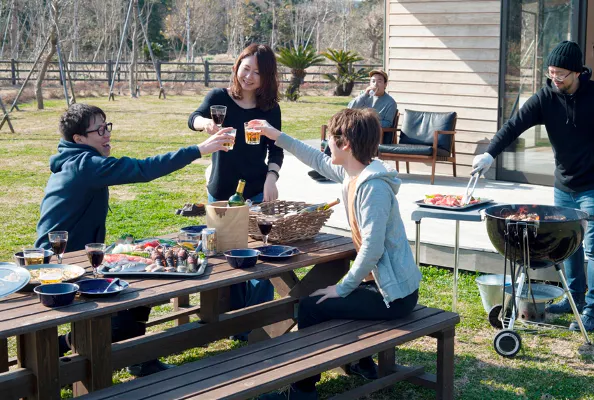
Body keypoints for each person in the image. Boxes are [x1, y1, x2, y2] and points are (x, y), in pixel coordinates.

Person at [35, 103, 233, 377]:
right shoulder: (84, 165)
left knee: (143, 284)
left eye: (107, 126)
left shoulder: (79, 160)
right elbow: (142, 169)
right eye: (99, 130)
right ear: (79, 139)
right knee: (128, 302)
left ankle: (138, 358)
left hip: (82, 257)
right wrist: (199, 149)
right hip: (59, 264)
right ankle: (66, 346)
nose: (107, 134)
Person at [252, 109, 421, 400]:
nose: (325, 144)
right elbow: (315, 158)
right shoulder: (353, 174)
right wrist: (274, 134)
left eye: (329, 138)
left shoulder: (373, 189)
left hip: (394, 296)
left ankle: (302, 391)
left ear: (346, 144)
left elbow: (372, 249)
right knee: (326, 299)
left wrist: (342, 288)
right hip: (382, 287)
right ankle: (362, 362)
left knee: (312, 306)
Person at [471, 41, 594, 332]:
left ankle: (593, 312)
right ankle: (575, 299)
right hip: (563, 186)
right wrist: (489, 154)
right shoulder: (545, 98)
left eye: (561, 73)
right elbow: (513, 126)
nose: (555, 78)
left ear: (577, 72)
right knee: (568, 247)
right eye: (551, 72)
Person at [188, 43, 283, 339]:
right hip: (220, 192)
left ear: (267, 77)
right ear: (237, 67)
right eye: (246, 68)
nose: (249, 76)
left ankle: (256, 323)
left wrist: (271, 177)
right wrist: (206, 124)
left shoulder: (270, 108)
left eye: (257, 72)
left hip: (255, 191)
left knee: (261, 258)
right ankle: (232, 323)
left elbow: (276, 149)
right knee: (226, 258)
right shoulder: (219, 98)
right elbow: (193, 118)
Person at [308, 68, 397, 182]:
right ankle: (324, 168)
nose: (376, 84)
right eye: (373, 81)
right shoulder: (364, 96)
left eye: (379, 81)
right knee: (338, 134)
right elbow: (349, 108)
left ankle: (325, 171)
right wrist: (364, 96)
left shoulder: (390, 102)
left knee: (347, 137)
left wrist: (368, 123)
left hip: (372, 134)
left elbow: (387, 123)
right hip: (356, 130)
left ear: (385, 84)